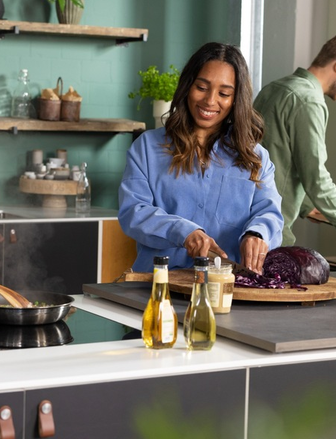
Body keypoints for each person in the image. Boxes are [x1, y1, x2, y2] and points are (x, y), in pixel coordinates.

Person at [119, 42, 284, 273]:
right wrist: (183, 232)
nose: (210, 101)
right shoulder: (146, 147)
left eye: (224, 93)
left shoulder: (256, 157)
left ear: (236, 99)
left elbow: (269, 212)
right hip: (158, 287)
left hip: (227, 290)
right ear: (188, 86)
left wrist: (257, 233)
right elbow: (133, 212)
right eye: (202, 87)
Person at [253, 31, 336, 247]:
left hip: (248, 222)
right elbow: (317, 178)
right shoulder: (309, 102)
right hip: (271, 232)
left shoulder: (275, 88)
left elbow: (275, 157)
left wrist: (307, 206)